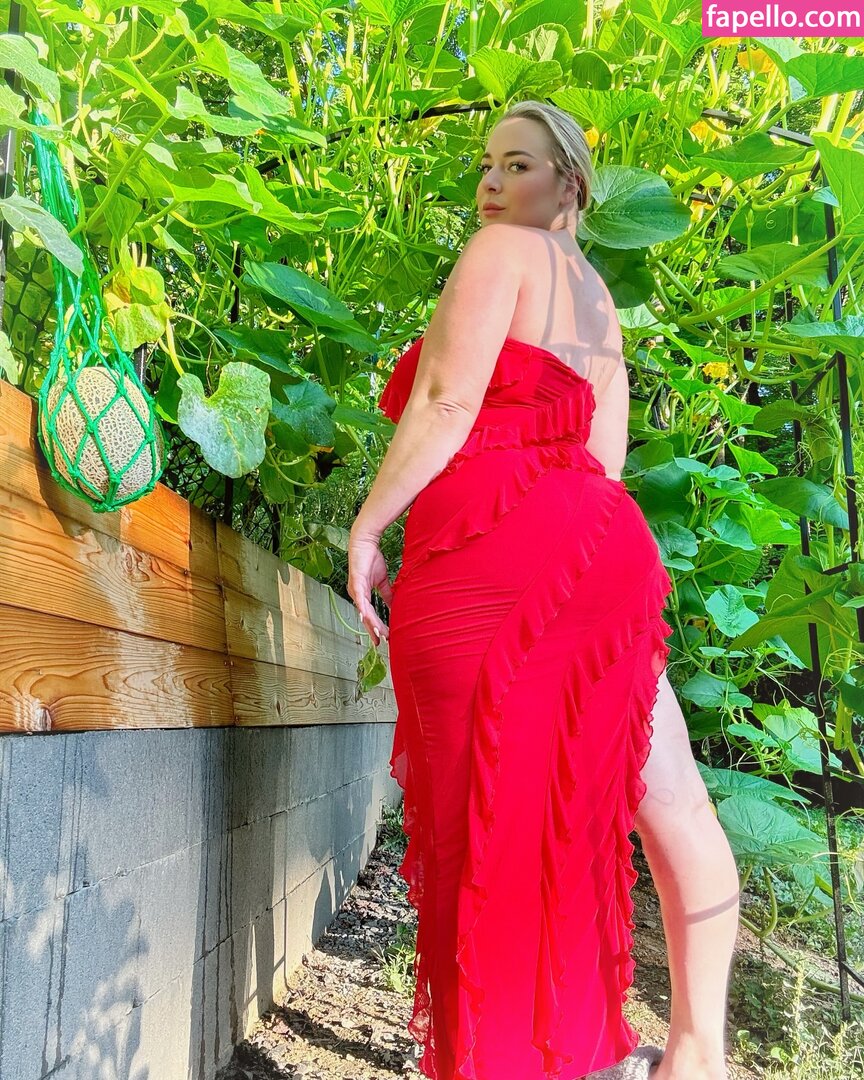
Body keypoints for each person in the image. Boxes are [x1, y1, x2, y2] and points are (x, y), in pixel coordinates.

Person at [347, 100, 740, 1080]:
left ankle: (512, 1059)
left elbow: (447, 401)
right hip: (602, 553)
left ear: (569, 181)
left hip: (497, 560)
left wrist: (368, 528)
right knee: (666, 801)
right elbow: (603, 463)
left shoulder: (499, 254)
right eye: (486, 164)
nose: (490, 182)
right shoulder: (598, 301)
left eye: (515, 164)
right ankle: (697, 1053)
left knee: (491, 815)